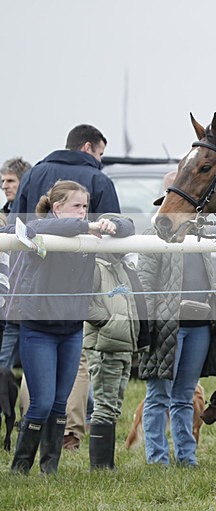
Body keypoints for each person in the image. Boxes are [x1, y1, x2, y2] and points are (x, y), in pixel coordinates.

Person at [8, 180, 133, 475]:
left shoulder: (85, 232)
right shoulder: (41, 229)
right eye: (76, 206)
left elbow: (127, 227)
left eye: (85, 207)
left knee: (60, 403)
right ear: (57, 207)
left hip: (72, 329)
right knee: (41, 403)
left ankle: (49, 468)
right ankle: (19, 468)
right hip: (38, 329)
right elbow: (42, 229)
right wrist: (87, 227)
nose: (82, 213)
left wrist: (111, 224)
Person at [10, 124, 121, 451]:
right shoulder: (99, 179)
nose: (100, 161)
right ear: (88, 148)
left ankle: (39, 437)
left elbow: (15, 223)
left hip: (46, 301)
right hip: (58, 302)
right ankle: (68, 433)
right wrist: (89, 226)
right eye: (100, 154)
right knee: (68, 375)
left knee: (39, 381)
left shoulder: (35, 173)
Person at [138, 171, 216, 466]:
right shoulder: (154, 237)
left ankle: (187, 456)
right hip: (167, 327)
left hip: (200, 324)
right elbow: (145, 285)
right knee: (159, 395)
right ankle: (158, 458)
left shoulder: (201, 235)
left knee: (185, 395)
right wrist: (149, 325)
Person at [84, 232, 151, 470]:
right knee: (104, 406)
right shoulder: (96, 267)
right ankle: (100, 466)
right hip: (106, 345)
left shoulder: (123, 268)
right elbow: (84, 303)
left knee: (113, 406)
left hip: (122, 344)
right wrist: (111, 322)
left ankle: (106, 464)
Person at [0, 156, 32, 370]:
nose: (4, 186)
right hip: (8, 300)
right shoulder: (4, 216)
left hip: (26, 298)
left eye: (10, 181)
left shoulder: (31, 215)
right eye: (2, 181)